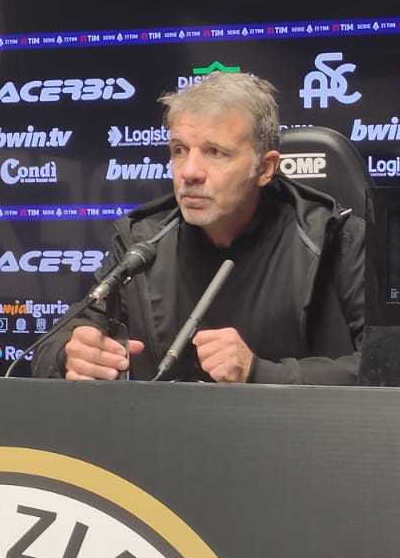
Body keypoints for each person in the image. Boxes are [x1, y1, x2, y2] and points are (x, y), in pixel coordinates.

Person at [33, 72, 364, 383]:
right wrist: (69, 357)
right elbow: (48, 350)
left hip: (299, 427)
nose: (189, 172)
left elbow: (388, 366)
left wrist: (260, 373)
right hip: (165, 426)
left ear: (265, 168)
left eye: (215, 152)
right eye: (179, 150)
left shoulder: (338, 240)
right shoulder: (142, 243)